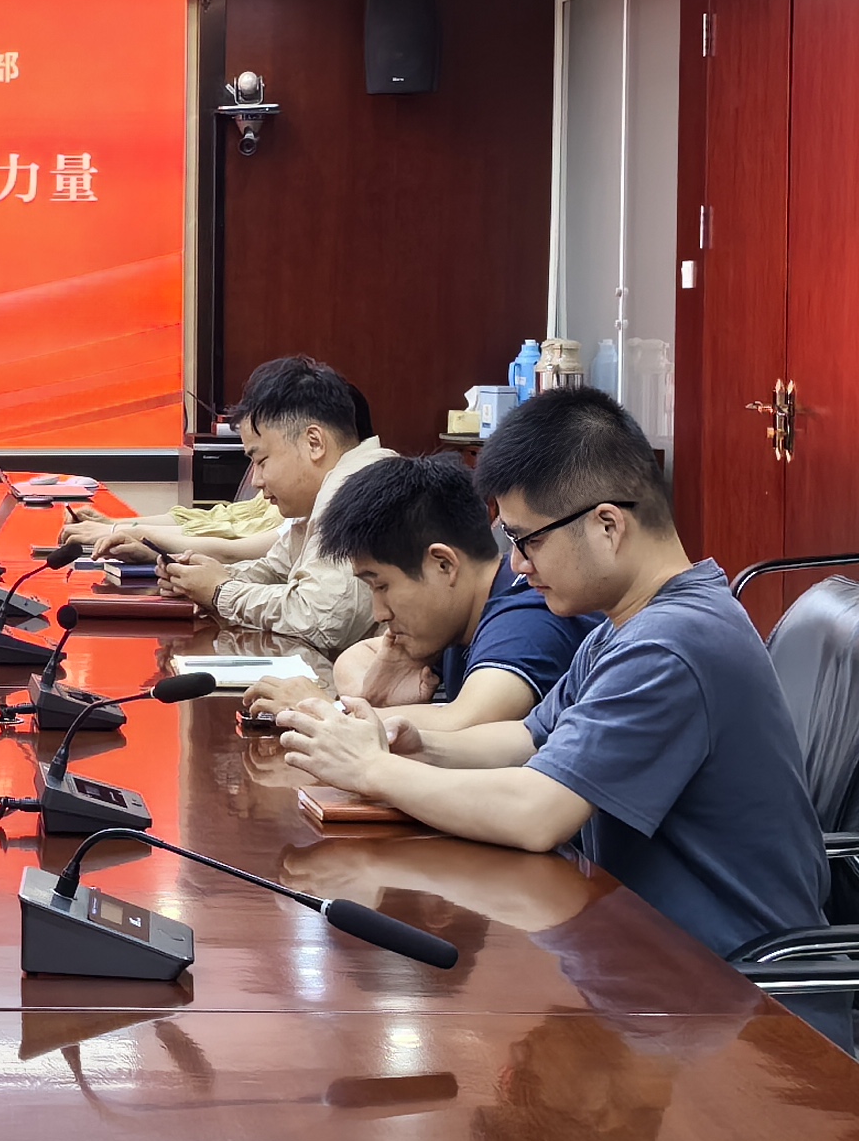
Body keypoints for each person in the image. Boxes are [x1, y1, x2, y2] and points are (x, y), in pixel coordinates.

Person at [282, 384, 823, 962]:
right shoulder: (626, 626)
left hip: (733, 987)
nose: (517, 564)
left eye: (528, 541)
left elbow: (537, 814)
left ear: (607, 526)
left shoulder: (671, 645)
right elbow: (528, 739)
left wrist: (373, 770)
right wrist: (417, 744)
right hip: (641, 949)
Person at [245, 450, 585, 735]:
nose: (380, 612)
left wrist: (328, 712)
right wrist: (376, 695)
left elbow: (466, 723)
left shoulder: (527, 616)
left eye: (381, 586)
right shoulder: (461, 610)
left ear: (444, 564)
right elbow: (354, 657)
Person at [162, 357, 391, 656]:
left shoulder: (360, 492)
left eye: (261, 460)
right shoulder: (331, 491)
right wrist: (200, 578)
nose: (256, 480)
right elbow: (274, 570)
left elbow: (321, 620)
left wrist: (220, 592)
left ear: (314, 443)